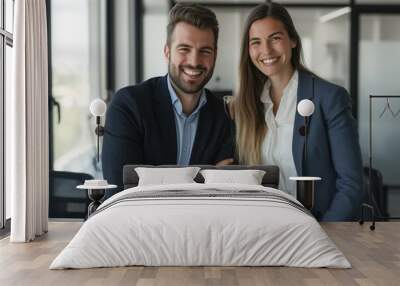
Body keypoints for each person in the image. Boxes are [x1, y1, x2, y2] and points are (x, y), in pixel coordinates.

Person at [232, 2, 364, 221]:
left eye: (275, 38)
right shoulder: (245, 107)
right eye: (256, 42)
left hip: (317, 231)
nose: (266, 50)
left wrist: (324, 235)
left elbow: (351, 184)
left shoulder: (329, 98)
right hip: (261, 230)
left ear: (292, 40)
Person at [102, 3, 234, 194]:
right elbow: (122, 189)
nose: (194, 61)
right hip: (136, 222)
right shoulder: (129, 106)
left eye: (205, 51)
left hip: (199, 224)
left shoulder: (224, 116)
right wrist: (202, 180)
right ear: (167, 51)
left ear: (215, 55)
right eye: (184, 49)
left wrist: (154, 179)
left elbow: (222, 192)